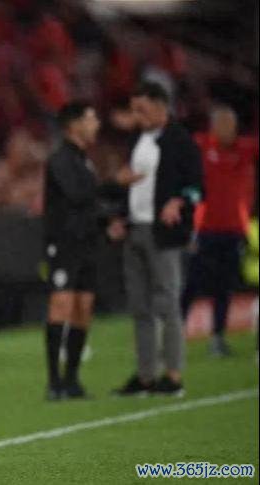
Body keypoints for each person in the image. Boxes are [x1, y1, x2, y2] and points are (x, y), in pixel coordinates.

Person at [113, 81, 203, 397]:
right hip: (135, 228)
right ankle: (146, 375)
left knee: (167, 302)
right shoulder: (137, 139)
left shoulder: (180, 140)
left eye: (142, 109)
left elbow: (197, 187)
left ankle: (173, 375)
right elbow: (132, 184)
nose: (137, 116)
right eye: (134, 110)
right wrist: (121, 213)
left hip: (163, 233)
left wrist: (178, 201)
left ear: (161, 106)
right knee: (140, 306)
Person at [42, 101, 106, 400]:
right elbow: (79, 196)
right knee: (61, 306)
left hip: (88, 243)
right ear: (74, 125)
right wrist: (114, 186)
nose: (96, 124)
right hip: (65, 244)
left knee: (83, 308)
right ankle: (54, 383)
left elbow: (90, 203)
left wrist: (107, 220)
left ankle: (72, 380)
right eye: (91, 118)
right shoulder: (60, 160)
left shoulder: (84, 160)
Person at [181, 106, 257, 356]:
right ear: (213, 127)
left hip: (233, 230)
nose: (228, 129)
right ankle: (174, 335)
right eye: (223, 124)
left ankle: (217, 338)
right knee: (192, 283)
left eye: (231, 124)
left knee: (224, 286)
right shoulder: (199, 146)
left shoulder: (244, 149)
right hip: (204, 230)